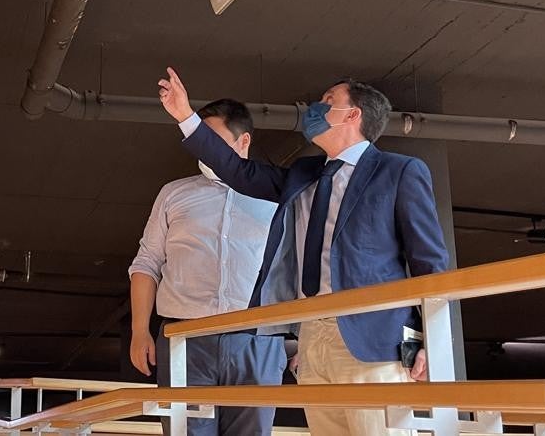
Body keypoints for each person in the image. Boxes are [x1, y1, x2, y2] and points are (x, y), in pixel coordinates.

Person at [156, 68, 450, 436]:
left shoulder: (399, 171)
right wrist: (186, 116)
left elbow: (430, 260)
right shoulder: (304, 173)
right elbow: (238, 170)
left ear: (353, 114)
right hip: (313, 334)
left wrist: (431, 340)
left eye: (327, 101)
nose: (314, 108)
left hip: (372, 338)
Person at [128, 99, 284, 436]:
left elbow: (294, 271)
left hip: (257, 339)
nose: (204, 149)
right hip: (185, 338)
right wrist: (139, 330)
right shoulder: (174, 194)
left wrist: (302, 338)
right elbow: (146, 262)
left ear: (243, 142)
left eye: (211, 139)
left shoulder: (277, 199)